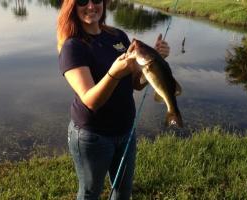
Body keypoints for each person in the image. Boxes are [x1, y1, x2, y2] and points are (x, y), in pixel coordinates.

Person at [57, 0, 170, 199]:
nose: (91, 6)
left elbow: (136, 83)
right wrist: (114, 73)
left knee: (123, 191)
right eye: (83, 1)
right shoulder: (73, 47)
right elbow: (91, 101)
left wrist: (152, 64)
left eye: (97, 0)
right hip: (93, 136)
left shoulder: (118, 36)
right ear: (72, 6)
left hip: (126, 129)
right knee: (90, 193)